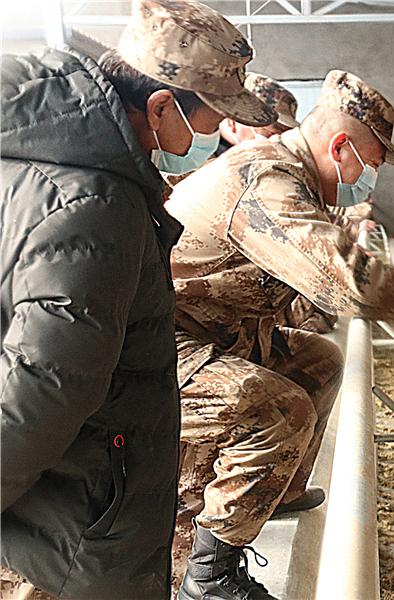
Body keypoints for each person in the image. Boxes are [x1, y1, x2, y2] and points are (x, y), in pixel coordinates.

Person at [166, 69, 394, 599]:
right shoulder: (268, 180)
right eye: (372, 165)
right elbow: (352, 284)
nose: (370, 180)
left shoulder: (297, 180)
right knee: (279, 410)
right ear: (340, 147)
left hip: (219, 331)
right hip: (162, 344)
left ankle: (276, 489)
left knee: (318, 361)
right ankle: (211, 574)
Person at [0, 0, 275, 598]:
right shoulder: (98, 206)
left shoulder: (48, 156)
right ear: (157, 105)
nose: (209, 136)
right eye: (208, 120)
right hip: (89, 496)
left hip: (75, 478)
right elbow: (45, 384)